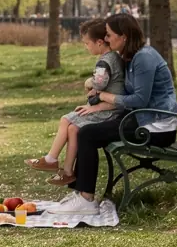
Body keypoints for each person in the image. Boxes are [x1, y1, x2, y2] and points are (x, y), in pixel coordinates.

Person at [49, 14, 177, 216]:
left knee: (87, 134)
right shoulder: (132, 56)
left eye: (109, 35)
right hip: (142, 119)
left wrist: (103, 96)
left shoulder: (144, 58)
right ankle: (80, 194)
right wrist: (98, 102)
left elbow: (140, 99)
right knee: (83, 129)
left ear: (123, 36)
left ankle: (86, 199)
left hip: (155, 128)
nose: (106, 38)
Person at [25, 18, 125, 186]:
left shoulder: (105, 61)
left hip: (108, 111)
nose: (86, 47)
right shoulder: (113, 57)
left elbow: (99, 83)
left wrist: (90, 83)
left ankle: (51, 159)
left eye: (87, 43)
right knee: (73, 129)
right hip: (109, 108)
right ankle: (67, 172)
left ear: (99, 42)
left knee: (65, 120)